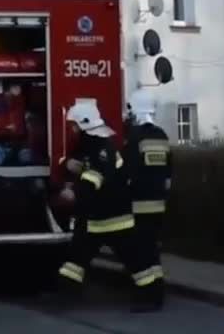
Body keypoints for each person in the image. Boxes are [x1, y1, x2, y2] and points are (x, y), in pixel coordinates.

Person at [53, 99, 164, 312]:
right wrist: (67, 164)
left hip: (114, 218)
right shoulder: (92, 145)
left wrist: (72, 193)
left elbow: (94, 179)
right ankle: (66, 296)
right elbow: (84, 165)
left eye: (73, 125)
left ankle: (152, 297)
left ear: (83, 124)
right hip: (97, 218)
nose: (72, 129)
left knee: (136, 263)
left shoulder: (101, 149)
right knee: (75, 261)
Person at [124, 92, 172, 303]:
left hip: (138, 206)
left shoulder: (134, 138)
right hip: (158, 205)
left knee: (140, 253)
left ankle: (146, 294)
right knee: (152, 251)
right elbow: (169, 173)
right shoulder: (161, 136)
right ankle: (157, 290)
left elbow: (128, 173)